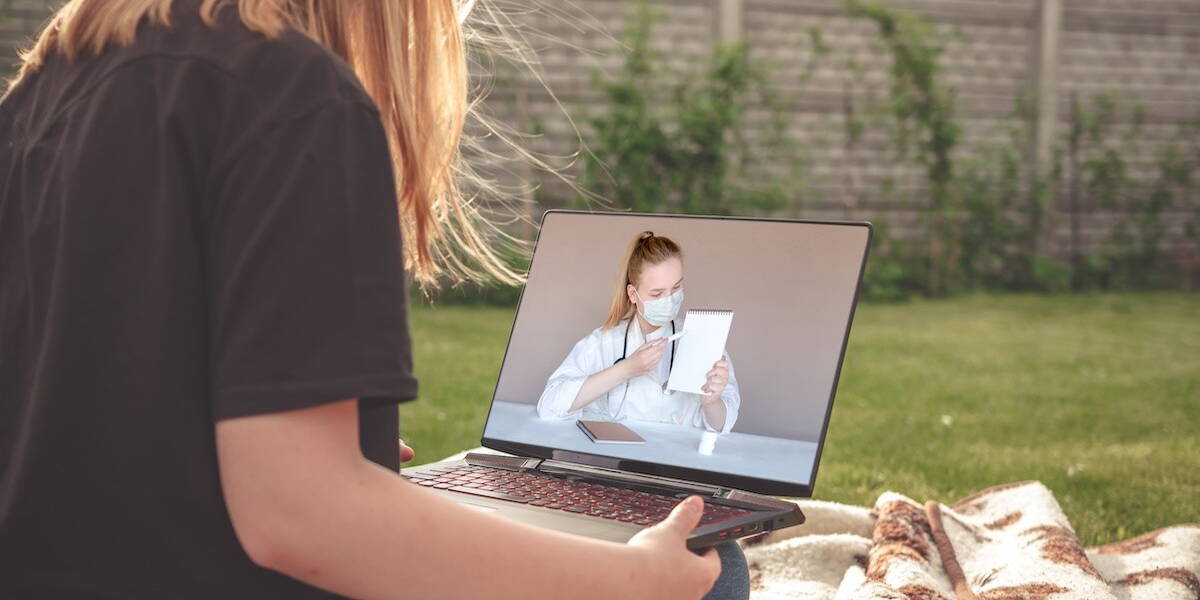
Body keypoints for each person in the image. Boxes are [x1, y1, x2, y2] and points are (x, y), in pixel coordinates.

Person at [0, 0, 749, 598]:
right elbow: (302, 521)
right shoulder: (293, 91)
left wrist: (298, 437)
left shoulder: (49, 80)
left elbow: (74, 402)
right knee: (712, 572)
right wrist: (628, 583)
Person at [537, 231, 741, 433]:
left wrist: (711, 402)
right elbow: (549, 406)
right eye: (657, 293)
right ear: (633, 294)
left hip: (674, 460)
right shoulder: (603, 343)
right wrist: (626, 370)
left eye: (676, 287)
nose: (669, 299)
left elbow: (722, 424)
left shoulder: (702, 341)